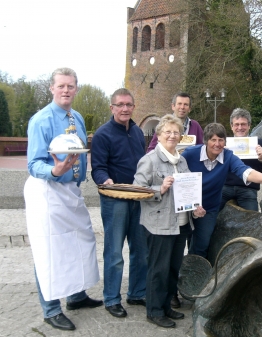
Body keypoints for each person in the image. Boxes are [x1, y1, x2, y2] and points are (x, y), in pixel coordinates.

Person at [25, 67, 102, 331]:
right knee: (50, 250)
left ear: (76, 88)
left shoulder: (77, 117)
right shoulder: (41, 120)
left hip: (71, 191)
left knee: (79, 242)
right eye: (61, 86)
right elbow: (34, 163)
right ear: (52, 88)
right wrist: (54, 170)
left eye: (70, 86)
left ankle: (76, 295)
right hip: (48, 190)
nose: (66, 90)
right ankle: (50, 309)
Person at [134, 114, 206, 328]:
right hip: (159, 224)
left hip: (181, 223)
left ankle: (166, 306)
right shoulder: (149, 160)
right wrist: (159, 188)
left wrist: (196, 206)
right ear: (159, 135)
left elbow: (187, 190)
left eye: (176, 132)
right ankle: (154, 311)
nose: (172, 136)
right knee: (158, 269)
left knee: (173, 268)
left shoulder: (181, 160)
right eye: (168, 132)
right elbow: (138, 190)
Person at [182, 123, 262, 258]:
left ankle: (195, 271)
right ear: (206, 141)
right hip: (186, 203)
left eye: (221, 140)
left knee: (202, 244)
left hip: (208, 207)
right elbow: (178, 176)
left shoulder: (228, 156)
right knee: (182, 241)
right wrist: (192, 204)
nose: (217, 144)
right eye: (213, 140)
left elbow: (246, 171)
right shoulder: (190, 154)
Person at [90, 88, 148, 318]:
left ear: (133, 107)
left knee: (141, 251)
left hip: (137, 198)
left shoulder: (137, 131)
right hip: (115, 199)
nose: (124, 109)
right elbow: (98, 168)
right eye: (120, 105)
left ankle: (136, 292)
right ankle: (112, 298)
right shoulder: (103, 134)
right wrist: (107, 181)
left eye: (128, 105)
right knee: (114, 252)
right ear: (112, 107)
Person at [220, 108, 262, 211]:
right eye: (236, 124)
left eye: (243, 124)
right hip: (225, 187)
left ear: (249, 125)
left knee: (252, 220)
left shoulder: (259, 143)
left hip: (248, 188)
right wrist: (219, 156)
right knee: (213, 212)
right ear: (231, 126)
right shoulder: (223, 144)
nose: (240, 127)